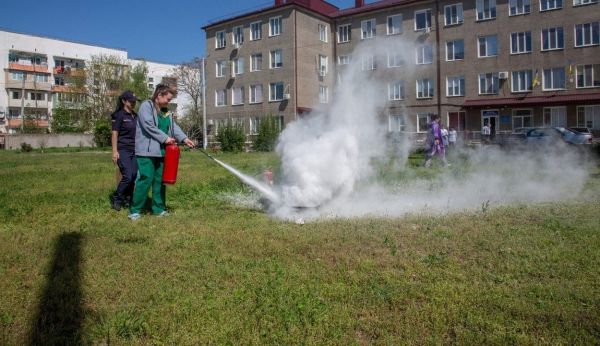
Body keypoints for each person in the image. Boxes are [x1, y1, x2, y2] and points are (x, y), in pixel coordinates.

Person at [128, 84, 195, 220]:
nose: (169, 102)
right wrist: (165, 138)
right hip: (146, 151)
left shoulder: (166, 112)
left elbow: (173, 127)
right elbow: (148, 125)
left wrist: (185, 138)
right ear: (159, 95)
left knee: (160, 181)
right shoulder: (146, 106)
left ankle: (159, 209)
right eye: (168, 99)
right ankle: (135, 211)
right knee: (146, 178)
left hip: (163, 152)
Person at [111, 90, 140, 211]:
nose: (133, 103)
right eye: (131, 101)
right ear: (124, 101)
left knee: (133, 176)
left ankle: (128, 200)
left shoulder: (135, 116)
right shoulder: (119, 115)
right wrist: (114, 151)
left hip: (135, 151)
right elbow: (114, 133)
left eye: (134, 102)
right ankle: (116, 198)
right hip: (123, 150)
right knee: (127, 176)